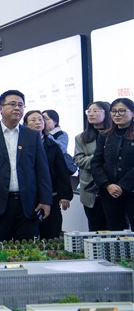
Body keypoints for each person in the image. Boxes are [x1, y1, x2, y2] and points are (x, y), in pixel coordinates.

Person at [0, 90, 53, 241]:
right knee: (1, 244)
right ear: (0, 108)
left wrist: (45, 200)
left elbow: (42, 170)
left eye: (20, 105)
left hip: (28, 202)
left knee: (27, 246)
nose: (17, 108)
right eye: (12, 104)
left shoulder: (32, 135)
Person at [24, 110, 73, 239]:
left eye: (40, 119)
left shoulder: (53, 145)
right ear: (25, 125)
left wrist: (65, 195)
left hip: (51, 195)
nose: (38, 122)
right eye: (33, 120)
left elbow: (62, 171)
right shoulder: (21, 145)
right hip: (27, 196)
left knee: (51, 233)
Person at [91, 98, 134, 231]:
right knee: (115, 230)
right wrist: (107, 184)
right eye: (113, 111)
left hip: (131, 189)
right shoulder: (105, 135)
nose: (117, 115)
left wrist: (122, 186)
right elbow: (96, 162)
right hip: (109, 191)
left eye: (122, 111)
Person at [74, 101, 111, 231]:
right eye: (89, 111)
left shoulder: (114, 135)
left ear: (107, 113)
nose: (91, 114)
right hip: (91, 189)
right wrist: (99, 158)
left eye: (96, 111)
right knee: (95, 228)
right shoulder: (81, 137)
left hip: (112, 187)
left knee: (116, 227)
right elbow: (78, 160)